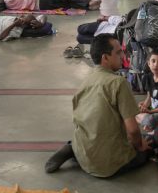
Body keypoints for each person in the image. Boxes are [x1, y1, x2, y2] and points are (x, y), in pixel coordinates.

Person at [45, 35, 151, 176]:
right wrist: (140, 146)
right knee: (149, 143)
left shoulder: (86, 81)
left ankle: (73, 148)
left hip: (84, 153)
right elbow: (132, 130)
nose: (123, 56)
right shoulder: (119, 83)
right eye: (118, 52)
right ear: (105, 58)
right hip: (107, 166)